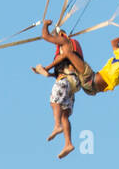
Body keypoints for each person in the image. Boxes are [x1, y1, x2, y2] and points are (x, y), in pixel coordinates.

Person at [39, 20, 119, 98]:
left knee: (68, 54)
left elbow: (114, 42)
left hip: (91, 78)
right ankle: (53, 75)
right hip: (92, 90)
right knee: (72, 69)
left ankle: (47, 68)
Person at [32, 27, 85, 159]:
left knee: (54, 101)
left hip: (66, 80)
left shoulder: (66, 43)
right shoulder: (70, 49)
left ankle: (57, 126)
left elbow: (45, 36)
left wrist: (45, 24)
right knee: (64, 115)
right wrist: (45, 72)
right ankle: (68, 143)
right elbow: (58, 73)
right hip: (73, 83)